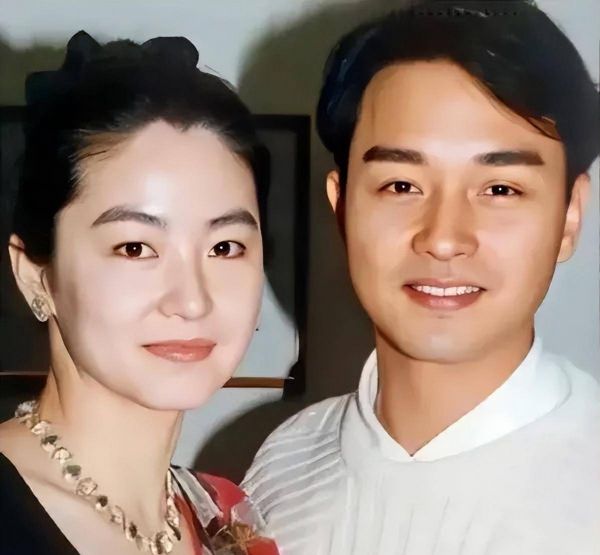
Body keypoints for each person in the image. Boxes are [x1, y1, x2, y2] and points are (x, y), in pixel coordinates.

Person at [242, 1, 600, 553]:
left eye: (500, 189)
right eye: (401, 186)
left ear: (570, 215)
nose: (444, 238)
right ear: (341, 207)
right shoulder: (281, 468)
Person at [0, 31, 278, 555]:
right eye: (135, 248)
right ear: (35, 274)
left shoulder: (226, 515)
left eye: (224, 248)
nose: (192, 301)